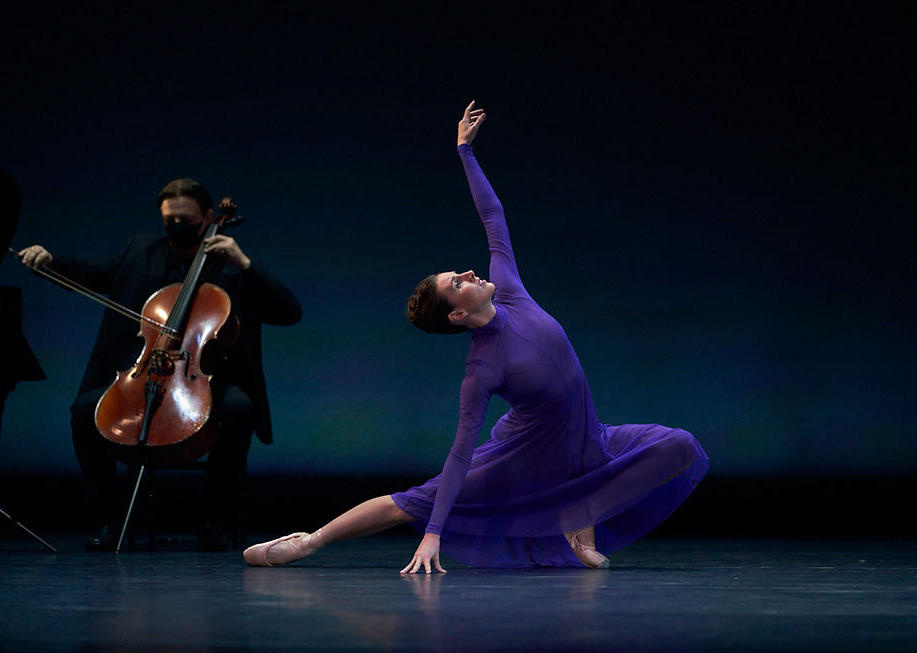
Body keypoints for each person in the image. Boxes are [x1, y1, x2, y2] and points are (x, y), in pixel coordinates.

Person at [243, 102, 708, 572]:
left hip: (591, 442)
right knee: (411, 503)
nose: (468, 272)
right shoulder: (482, 368)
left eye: (459, 272)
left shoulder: (510, 292)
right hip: (525, 457)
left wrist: (465, 150)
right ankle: (310, 541)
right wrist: (434, 533)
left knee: (680, 447)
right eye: (457, 282)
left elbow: (493, 216)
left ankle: (578, 511)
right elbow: (460, 454)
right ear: (457, 313)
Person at [18, 178, 301, 551]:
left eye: (187, 220)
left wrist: (245, 263)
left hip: (208, 377)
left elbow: (289, 311)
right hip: (146, 371)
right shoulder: (139, 250)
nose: (177, 226)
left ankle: (213, 523)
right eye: (170, 220)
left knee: (238, 408)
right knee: (85, 412)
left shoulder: (232, 268)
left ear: (209, 217)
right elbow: (91, 274)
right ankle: (109, 521)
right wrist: (50, 262)